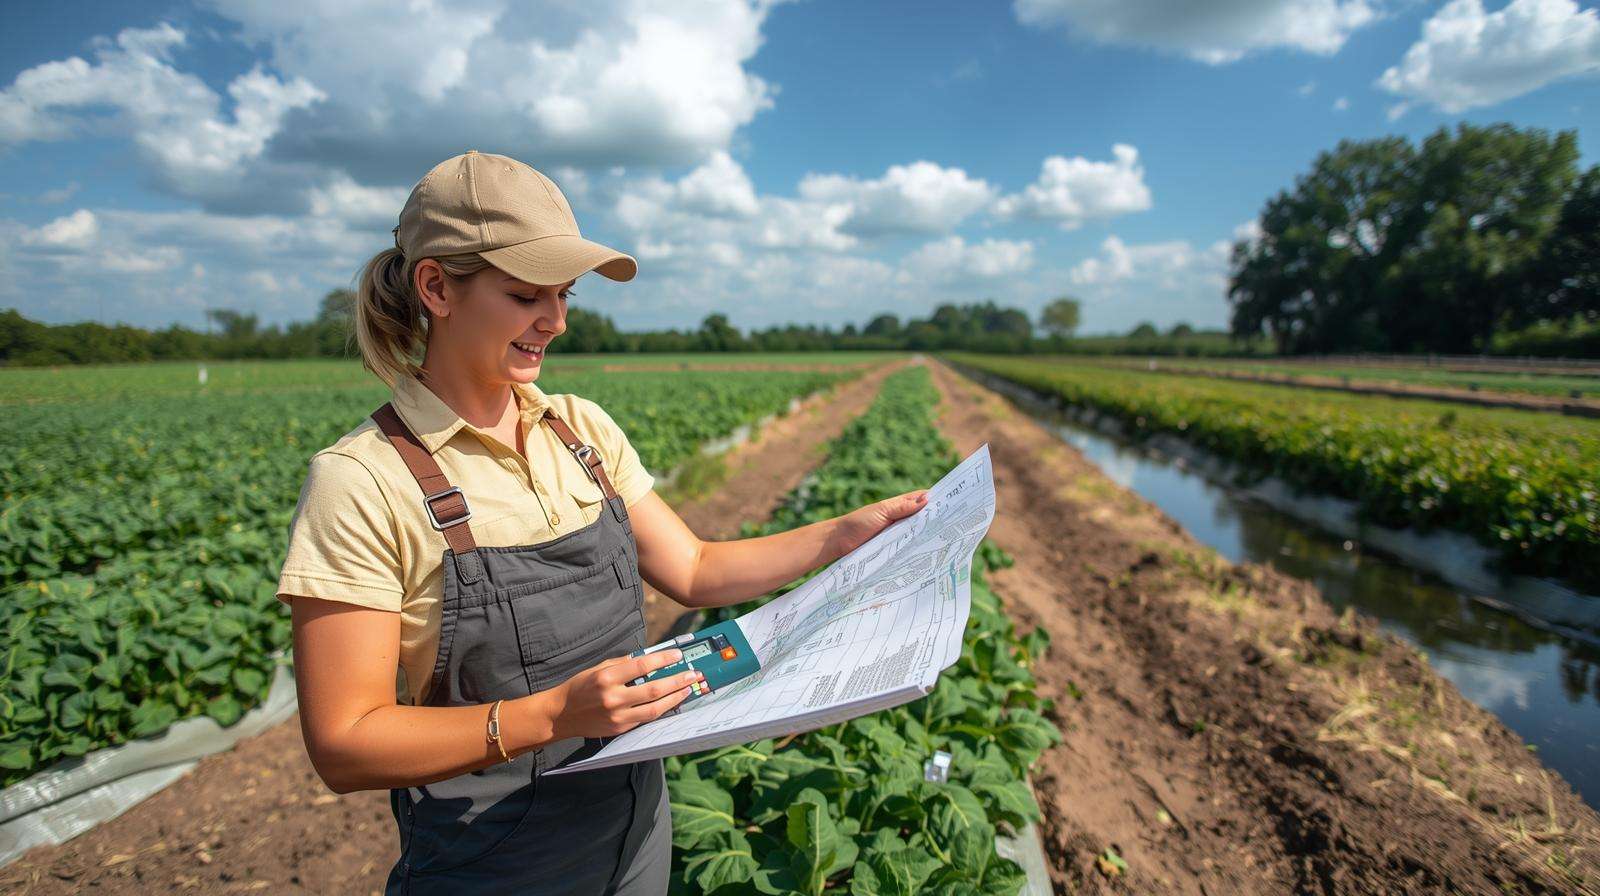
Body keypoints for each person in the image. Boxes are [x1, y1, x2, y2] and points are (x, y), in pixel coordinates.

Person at [273, 150, 929, 896]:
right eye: (525, 295)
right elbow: (346, 741)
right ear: (436, 288)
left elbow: (694, 569)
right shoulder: (363, 480)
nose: (553, 322)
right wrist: (552, 714)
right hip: (495, 863)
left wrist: (842, 535)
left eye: (564, 296)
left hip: (636, 826)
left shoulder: (579, 431)